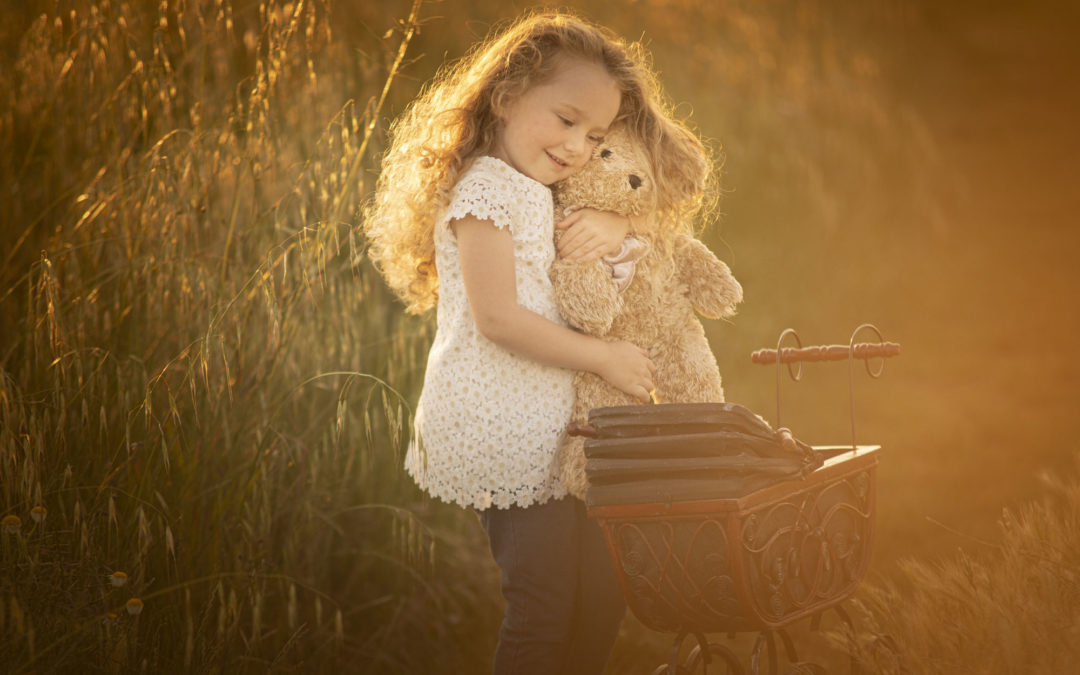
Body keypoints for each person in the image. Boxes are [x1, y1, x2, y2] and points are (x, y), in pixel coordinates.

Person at [364, 10, 713, 674]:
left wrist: (615, 228)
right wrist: (604, 356)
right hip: (507, 430)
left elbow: (619, 245)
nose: (580, 146)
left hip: (563, 432)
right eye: (566, 119)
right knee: (545, 604)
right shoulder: (486, 190)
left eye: (596, 134)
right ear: (507, 95)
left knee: (602, 592)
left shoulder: (541, 189)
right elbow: (497, 317)